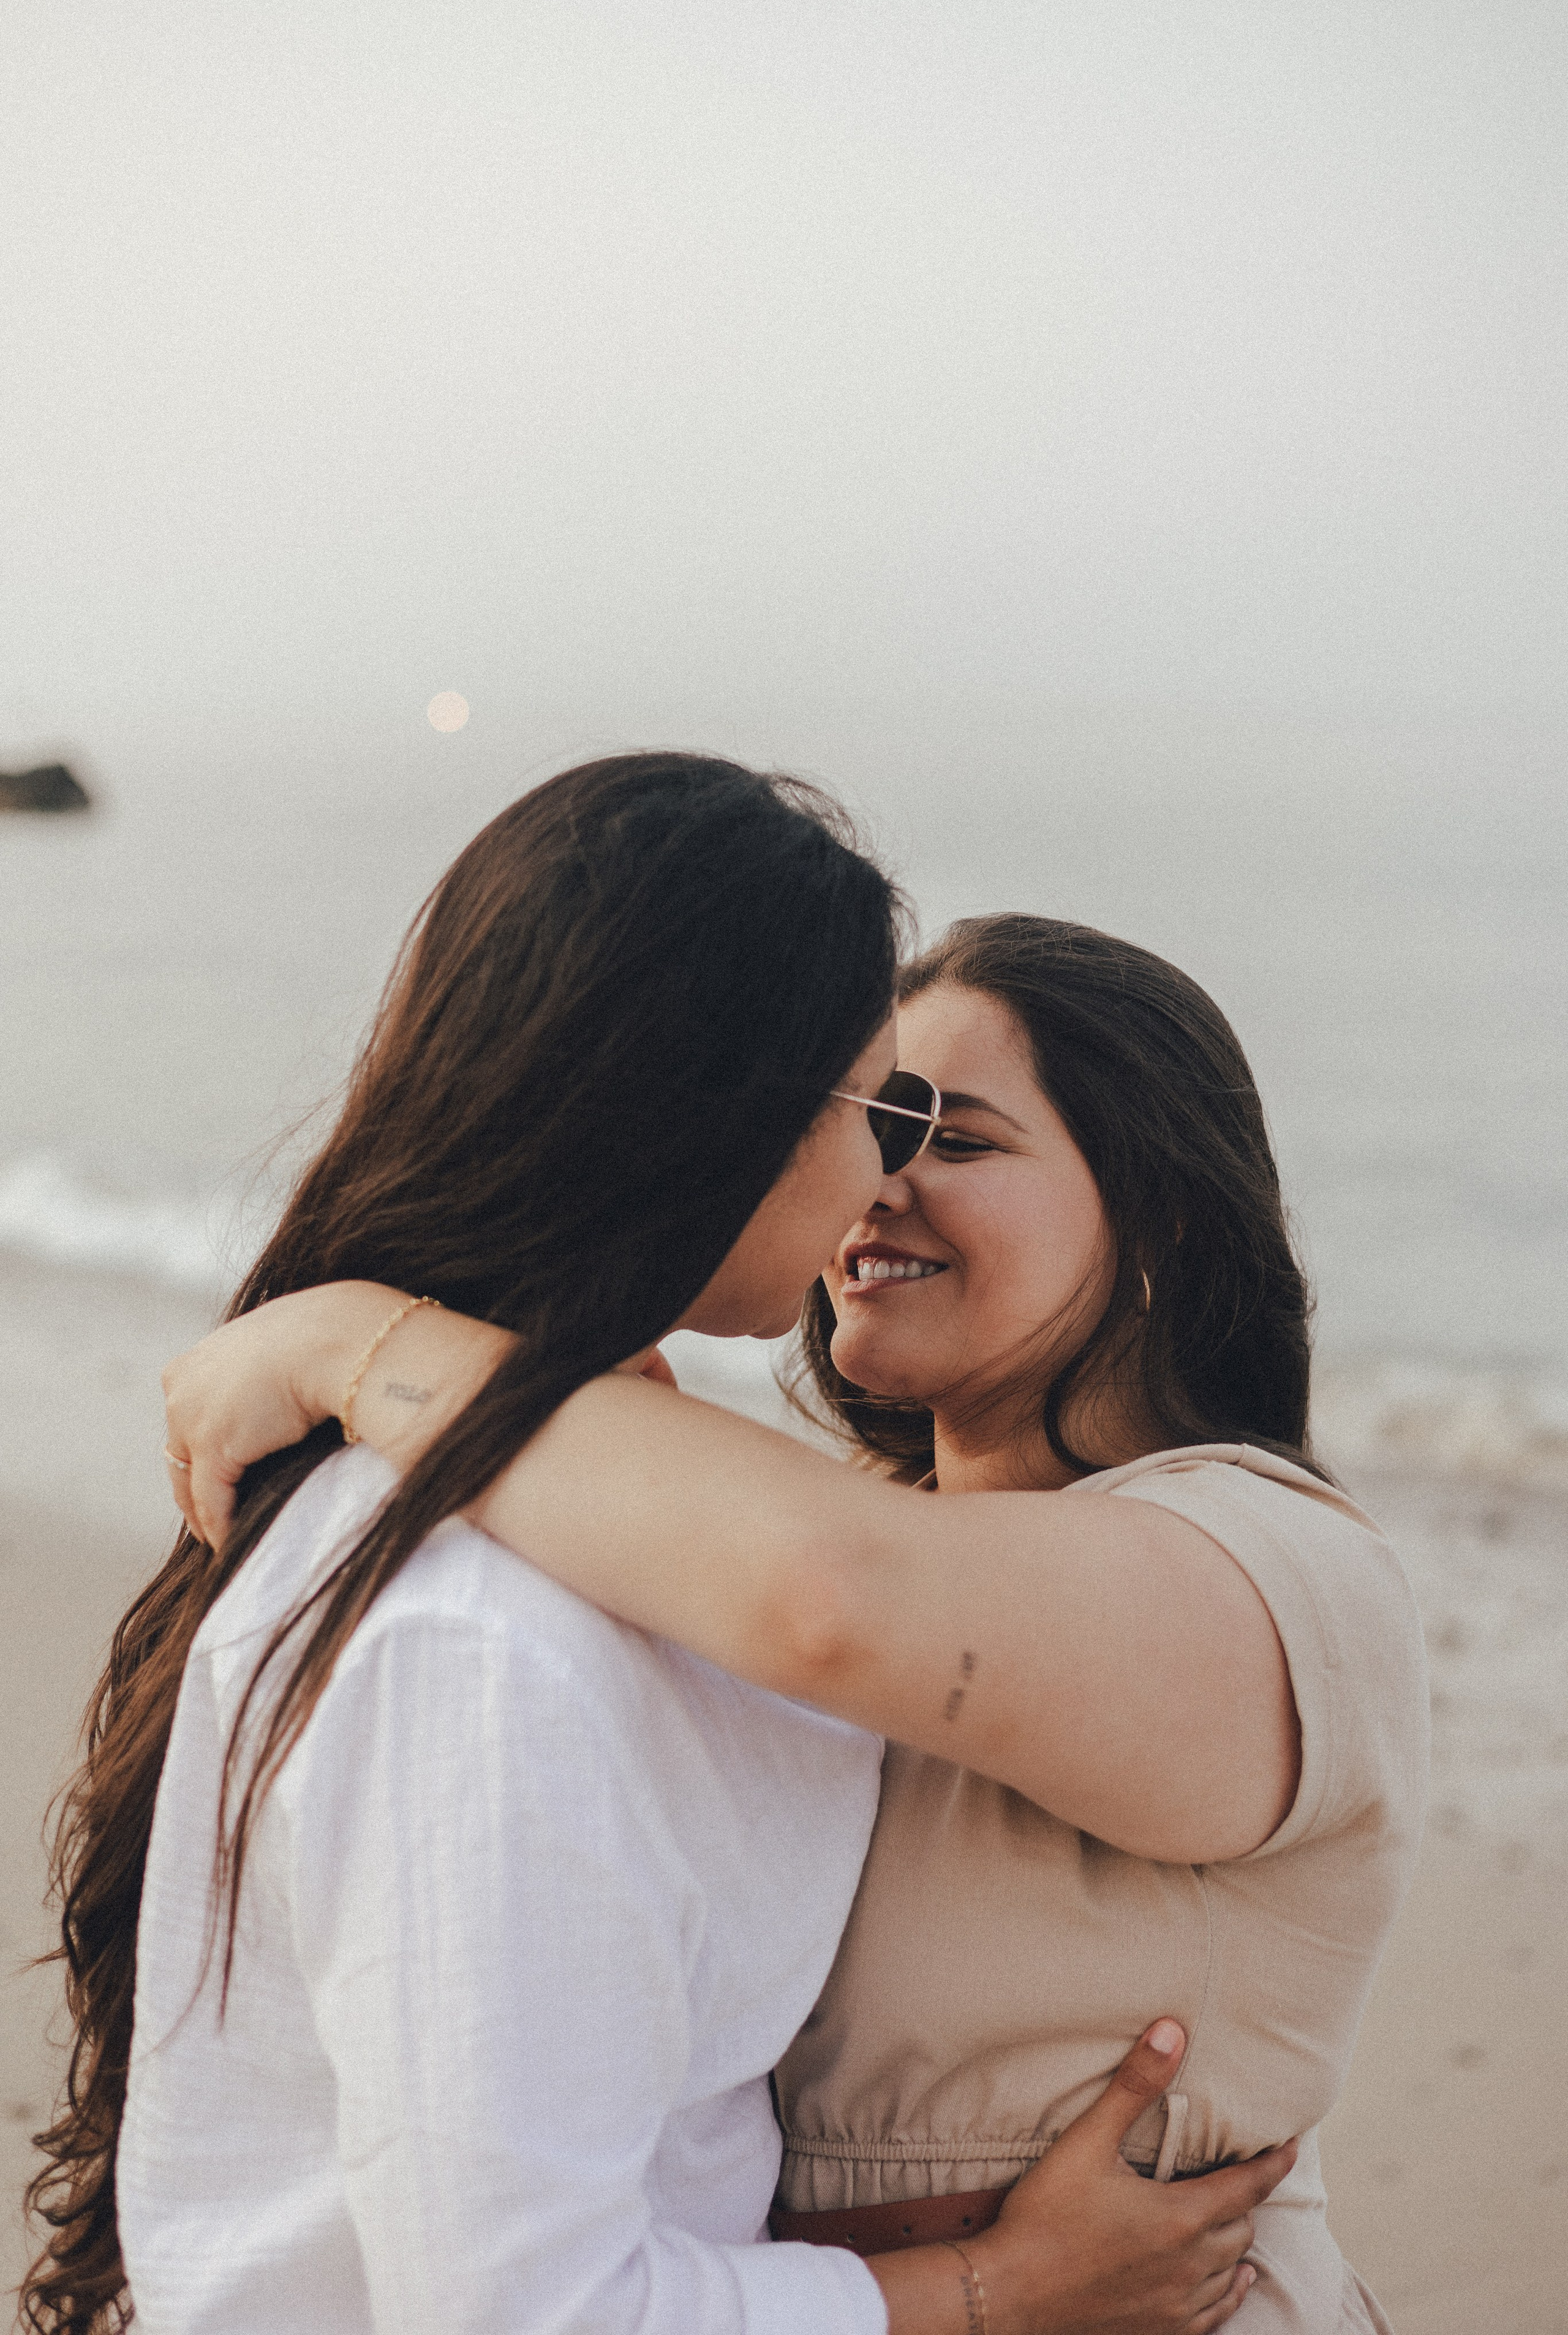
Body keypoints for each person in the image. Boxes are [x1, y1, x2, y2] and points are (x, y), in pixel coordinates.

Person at [24, 761, 1278, 2335]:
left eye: (939, 1129)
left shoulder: (601, 1524)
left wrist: (357, 1343)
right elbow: (525, 2314)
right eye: (884, 1110)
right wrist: (989, 2289)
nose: (884, 1179)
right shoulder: (479, 1624)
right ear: (722, 1109)